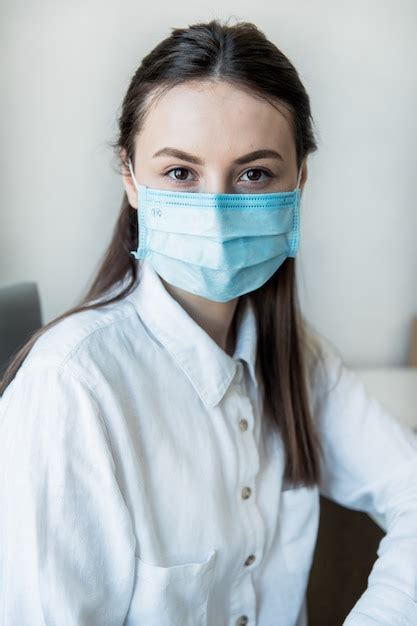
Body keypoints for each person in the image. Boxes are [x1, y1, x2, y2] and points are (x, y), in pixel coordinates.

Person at [0, 17, 416, 626]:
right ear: (130, 177)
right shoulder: (71, 389)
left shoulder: (295, 356)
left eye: (254, 174)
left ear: (299, 180)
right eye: (180, 173)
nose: (217, 211)